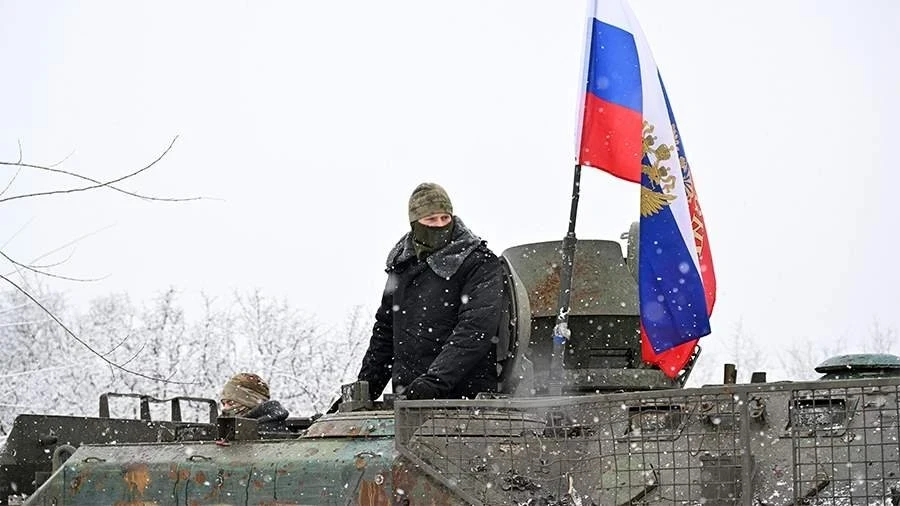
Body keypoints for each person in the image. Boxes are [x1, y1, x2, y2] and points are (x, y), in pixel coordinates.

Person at [355, 182, 505, 401]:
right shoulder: (402, 265)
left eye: (445, 218)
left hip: (466, 399)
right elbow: (385, 334)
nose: (440, 225)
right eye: (431, 219)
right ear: (415, 223)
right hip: (410, 398)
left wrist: (435, 381)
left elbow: (476, 328)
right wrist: (362, 392)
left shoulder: (478, 262)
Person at [219, 372, 289, 432]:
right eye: (223, 404)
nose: (225, 408)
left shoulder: (267, 430)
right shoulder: (226, 429)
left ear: (252, 403)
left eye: (231, 403)